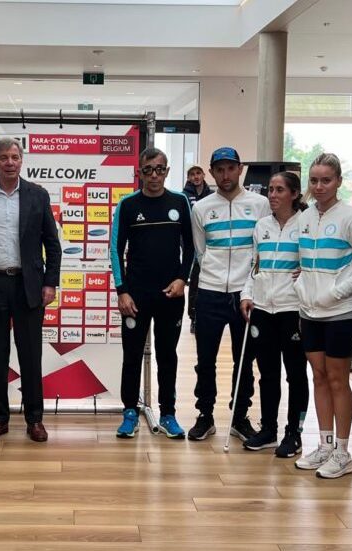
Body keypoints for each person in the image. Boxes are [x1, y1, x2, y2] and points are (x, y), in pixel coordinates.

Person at [0, 137, 61, 443]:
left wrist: (50, 282)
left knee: (30, 355)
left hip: (27, 285)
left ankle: (35, 419)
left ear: (21, 161)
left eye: (15, 157)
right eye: (4, 157)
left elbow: (52, 244)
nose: (10, 162)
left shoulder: (37, 195)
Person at [292, 153, 352, 479]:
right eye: (314, 180)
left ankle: (342, 451)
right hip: (309, 311)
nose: (319, 186)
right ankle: (325, 445)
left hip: (342, 312)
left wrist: (336, 292)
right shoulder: (304, 217)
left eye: (326, 180)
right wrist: (301, 286)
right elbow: (304, 262)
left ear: (338, 181)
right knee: (319, 377)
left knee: (339, 379)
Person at [111, 148, 195, 439]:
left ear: (167, 171)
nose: (154, 175)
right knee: (132, 356)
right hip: (136, 297)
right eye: (148, 170)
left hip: (171, 295)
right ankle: (129, 412)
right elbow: (115, 250)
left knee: (168, 355)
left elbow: (191, 247)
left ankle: (168, 414)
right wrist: (122, 291)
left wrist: (182, 279)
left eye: (160, 169)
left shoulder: (180, 202)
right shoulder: (128, 204)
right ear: (140, 172)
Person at [188, 147, 270, 441]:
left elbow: (262, 250)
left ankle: (239, 416)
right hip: (210, 292)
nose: (225, 175)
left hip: (245, 293)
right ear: (211, 172)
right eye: (219, 169)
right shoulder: (201, 208)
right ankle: (205, 415)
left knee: (244, 359)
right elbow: (200, 251)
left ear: (240, 169)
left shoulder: (260, 204)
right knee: (205, 359)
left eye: (230, 168)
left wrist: (249, 284)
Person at [239, 171, 309, 458]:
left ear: (294, 194)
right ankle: (269, 429)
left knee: (296, 374)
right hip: (262, 309)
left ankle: (294, 433)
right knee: (267, 373)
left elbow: (314, 264)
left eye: (280, 190)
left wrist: (307, 273)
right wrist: (246, 294)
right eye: (270, 189)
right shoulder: (262, 226)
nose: (273, 195)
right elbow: (254, 266)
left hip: (292, 309)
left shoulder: (305, 225)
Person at [182, 165, 212, 334]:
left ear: (203, 175)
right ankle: (193, 317)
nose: (196, 177)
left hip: (210, 244)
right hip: (192, 243)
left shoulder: (212, 195)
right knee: (195, 280)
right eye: (192, 174)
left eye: (198, 173)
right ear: (188, 177)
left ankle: (207, 315)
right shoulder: (184, 196)